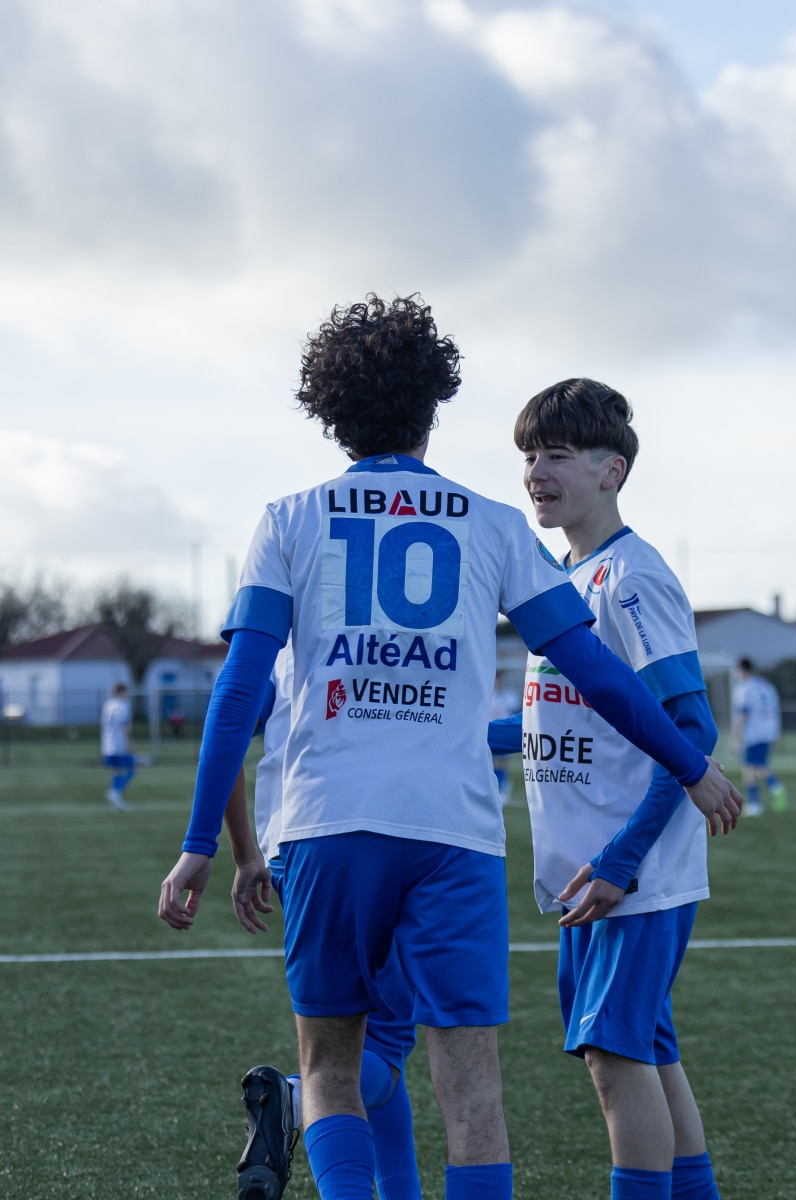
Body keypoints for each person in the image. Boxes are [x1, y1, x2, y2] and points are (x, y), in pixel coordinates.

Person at [158, 294, 740, 1200]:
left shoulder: (289, 518)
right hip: (452, 833)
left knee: (331, 1067)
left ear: (330, 413)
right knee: (471, 1090)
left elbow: (239, 693)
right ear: (433, 407)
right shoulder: (492, 523)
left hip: (324, 822)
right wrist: (692, 762)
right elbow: (596, 673)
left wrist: (204, 840)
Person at [496, 377, 726, 1200]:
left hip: (630, 871)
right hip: (589, 868)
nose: (536, 471)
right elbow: (559, 718)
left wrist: (625, 859)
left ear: (611, 470)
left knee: (614, 1059)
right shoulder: (562, 579)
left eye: (557, 454)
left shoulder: (630, 578)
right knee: (647, 1053)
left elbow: (690, 729)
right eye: (529, 455)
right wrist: (448, 737)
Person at [223, 642, 422, 1200]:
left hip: (294, 850)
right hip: (386, 834)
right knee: (374, 1056)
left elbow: (227, 731)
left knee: (364, 1041)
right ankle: (291, 1097)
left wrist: (244, 854)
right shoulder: (387, 635)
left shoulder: (277, 646)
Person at [729, 657, 787, 816]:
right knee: (758, 766)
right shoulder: (767, 686)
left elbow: (743, 715)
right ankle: (776, 788)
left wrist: (735, 739)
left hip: (753, 731)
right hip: (769, 730)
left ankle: (756, 803)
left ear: (742, 670)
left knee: (749, 767)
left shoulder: (743, 689)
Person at [101, 681, 135, 811]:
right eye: (126, 692)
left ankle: (116, 802)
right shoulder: (123, 706)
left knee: (116, 770)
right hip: (119, 744)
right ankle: (115, 792)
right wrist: (129, 744)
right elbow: (124, 726)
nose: (128, 694)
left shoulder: (108, 705)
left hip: (107, 743)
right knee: (131, 769)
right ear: (121, 692)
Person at [489, 671, 521, 802]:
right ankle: (493, 787)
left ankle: (503, 784)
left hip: (503, 732)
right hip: (490, 730)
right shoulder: (487, 695)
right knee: (489, 762)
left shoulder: (509, 696)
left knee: (502, 762)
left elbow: (515, 710)